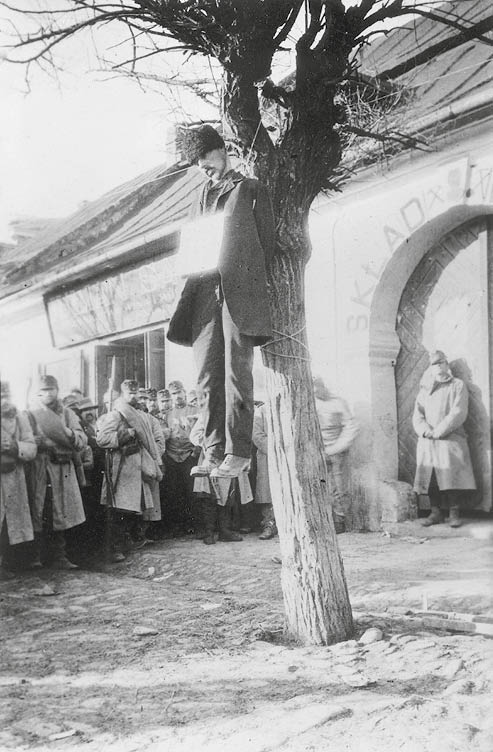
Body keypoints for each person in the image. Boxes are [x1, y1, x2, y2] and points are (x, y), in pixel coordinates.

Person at [168, 125, 275, 479]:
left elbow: (267, 243)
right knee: (206, 375)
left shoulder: (249, 189)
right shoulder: (199, 197)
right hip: (203, 294)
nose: (202, 167)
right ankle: (212, 450)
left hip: (236, 294)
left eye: (205, 158)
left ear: (222, 149)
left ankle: (238, 452)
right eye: (195, 163)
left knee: (235, 372)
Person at [96, 380, 163, 560]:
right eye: (130, 394)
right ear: (123, 395)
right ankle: (115, 548)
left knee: (134, 509)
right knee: (119, 509)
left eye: (136, 393)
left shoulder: (141, 415)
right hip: (122, 468)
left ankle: (127, 542)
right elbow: (102, 439)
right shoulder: (117, 415)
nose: (134, 397)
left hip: (138, 468)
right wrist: (125, 435)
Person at [29, 375, 87, 570]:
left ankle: (59, 556)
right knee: (39, 510)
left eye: (51, 389)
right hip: (39, 468)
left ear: (57, 391)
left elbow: (81, 439)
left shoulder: (68, 414)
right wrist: (36, 442)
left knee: (59, 511)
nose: (48, 394)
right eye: (44, 390)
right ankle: (35, 556)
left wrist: (68, 433)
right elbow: (23, 438)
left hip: (62, 468)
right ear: (38, 392)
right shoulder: (30, 414)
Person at [413, 350, 476, 528]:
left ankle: (454, 513)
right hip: (428, 441)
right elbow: (417, 414)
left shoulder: (457, 385)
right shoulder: (425, 389)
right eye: (434, 364)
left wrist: (439, 431)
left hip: (450, 438)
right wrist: (425, 431)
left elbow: (458, 412)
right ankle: (436, 512)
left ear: (447, 365)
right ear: (430, 368)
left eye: (442, 363)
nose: (439, 366)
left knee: (451, 476)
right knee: (431, 477)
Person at [0, 381, 36, 577]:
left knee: (11, 522)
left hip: (14, 478)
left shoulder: (19, 417)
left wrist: (14, 446)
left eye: (6, 395)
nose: (3, 400)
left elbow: (31, 447)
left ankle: (8, 563)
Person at [314, 376, 358, 534]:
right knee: (319, 486)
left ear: (323, 386)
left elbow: (350, 426)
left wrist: (338, 447)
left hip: (336, 451)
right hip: (316, 451)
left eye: (317, 388)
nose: (315, 392)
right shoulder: (310, 402)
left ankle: (340, 520)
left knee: (338, 487)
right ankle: (324, 519)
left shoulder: (338, 402)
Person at [162, 380, 200, 534]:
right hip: (172, 456)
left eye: (179, 392)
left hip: (189, 456)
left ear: (184, 392)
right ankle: (177, 526)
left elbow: (201, 432)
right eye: (173, 394)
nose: (177, 396)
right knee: (174, 492)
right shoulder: (167, 414)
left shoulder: (195, 410)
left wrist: (195, 452)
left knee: (191, 491)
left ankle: (193, 525)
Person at [252, 401, 277, 540]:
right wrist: (275, 450)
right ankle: (269, 524)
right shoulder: (262, 411)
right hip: (268, 456)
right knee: (267, 492)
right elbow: (257, 435)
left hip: (289, 455)